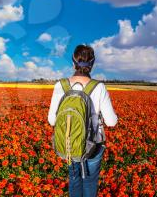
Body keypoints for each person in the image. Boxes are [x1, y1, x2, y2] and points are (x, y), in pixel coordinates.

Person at [48, 44, 118, 197]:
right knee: (90, 182)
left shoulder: (60, 85)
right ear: (92, 64)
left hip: (69, 142)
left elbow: (52, 120)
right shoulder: (99, 87)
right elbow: (111, 122)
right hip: (93, 145)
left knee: (74, 180)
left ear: (73, 63)